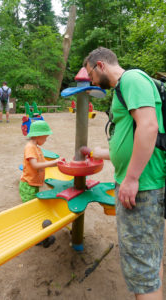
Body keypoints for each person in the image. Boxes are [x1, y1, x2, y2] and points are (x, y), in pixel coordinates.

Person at [82, 47, 166, 300]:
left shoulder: (131, 79)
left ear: (100, 65)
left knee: (141, 271)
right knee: (148, 258)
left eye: (91, 75)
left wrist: (131, 178)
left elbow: (149, 127)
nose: (92, 81)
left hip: (143, 186)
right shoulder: (125, 87)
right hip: (143, 182)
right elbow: (131, 138)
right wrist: (99, 153)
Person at [19, 120, 60, 248]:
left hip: (34, 185)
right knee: (32, 212)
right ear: (38, 135)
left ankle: (37, 235)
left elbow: (41, 160)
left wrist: (57, 162)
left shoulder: (36, 147)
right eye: (45, 137)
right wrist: (53, 163)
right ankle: (36, 239)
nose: (46, 139)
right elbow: (35, 165)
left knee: (34, 209)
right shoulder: (30, 147)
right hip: (28, 186)